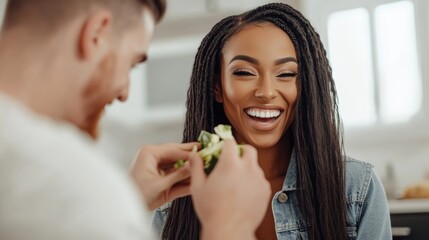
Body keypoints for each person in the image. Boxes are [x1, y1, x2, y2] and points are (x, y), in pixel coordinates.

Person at [0, 0, 271, 239]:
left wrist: (129, 197)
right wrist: (229, 227)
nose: (124, 93)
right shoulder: (68, 189)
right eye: (131, 64)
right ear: (96, 34)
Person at [153, 3, 392, 240]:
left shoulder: (356, 188)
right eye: (245, 73)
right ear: (217, 87)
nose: (266, 92)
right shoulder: (175, 202)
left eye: (286, 74)